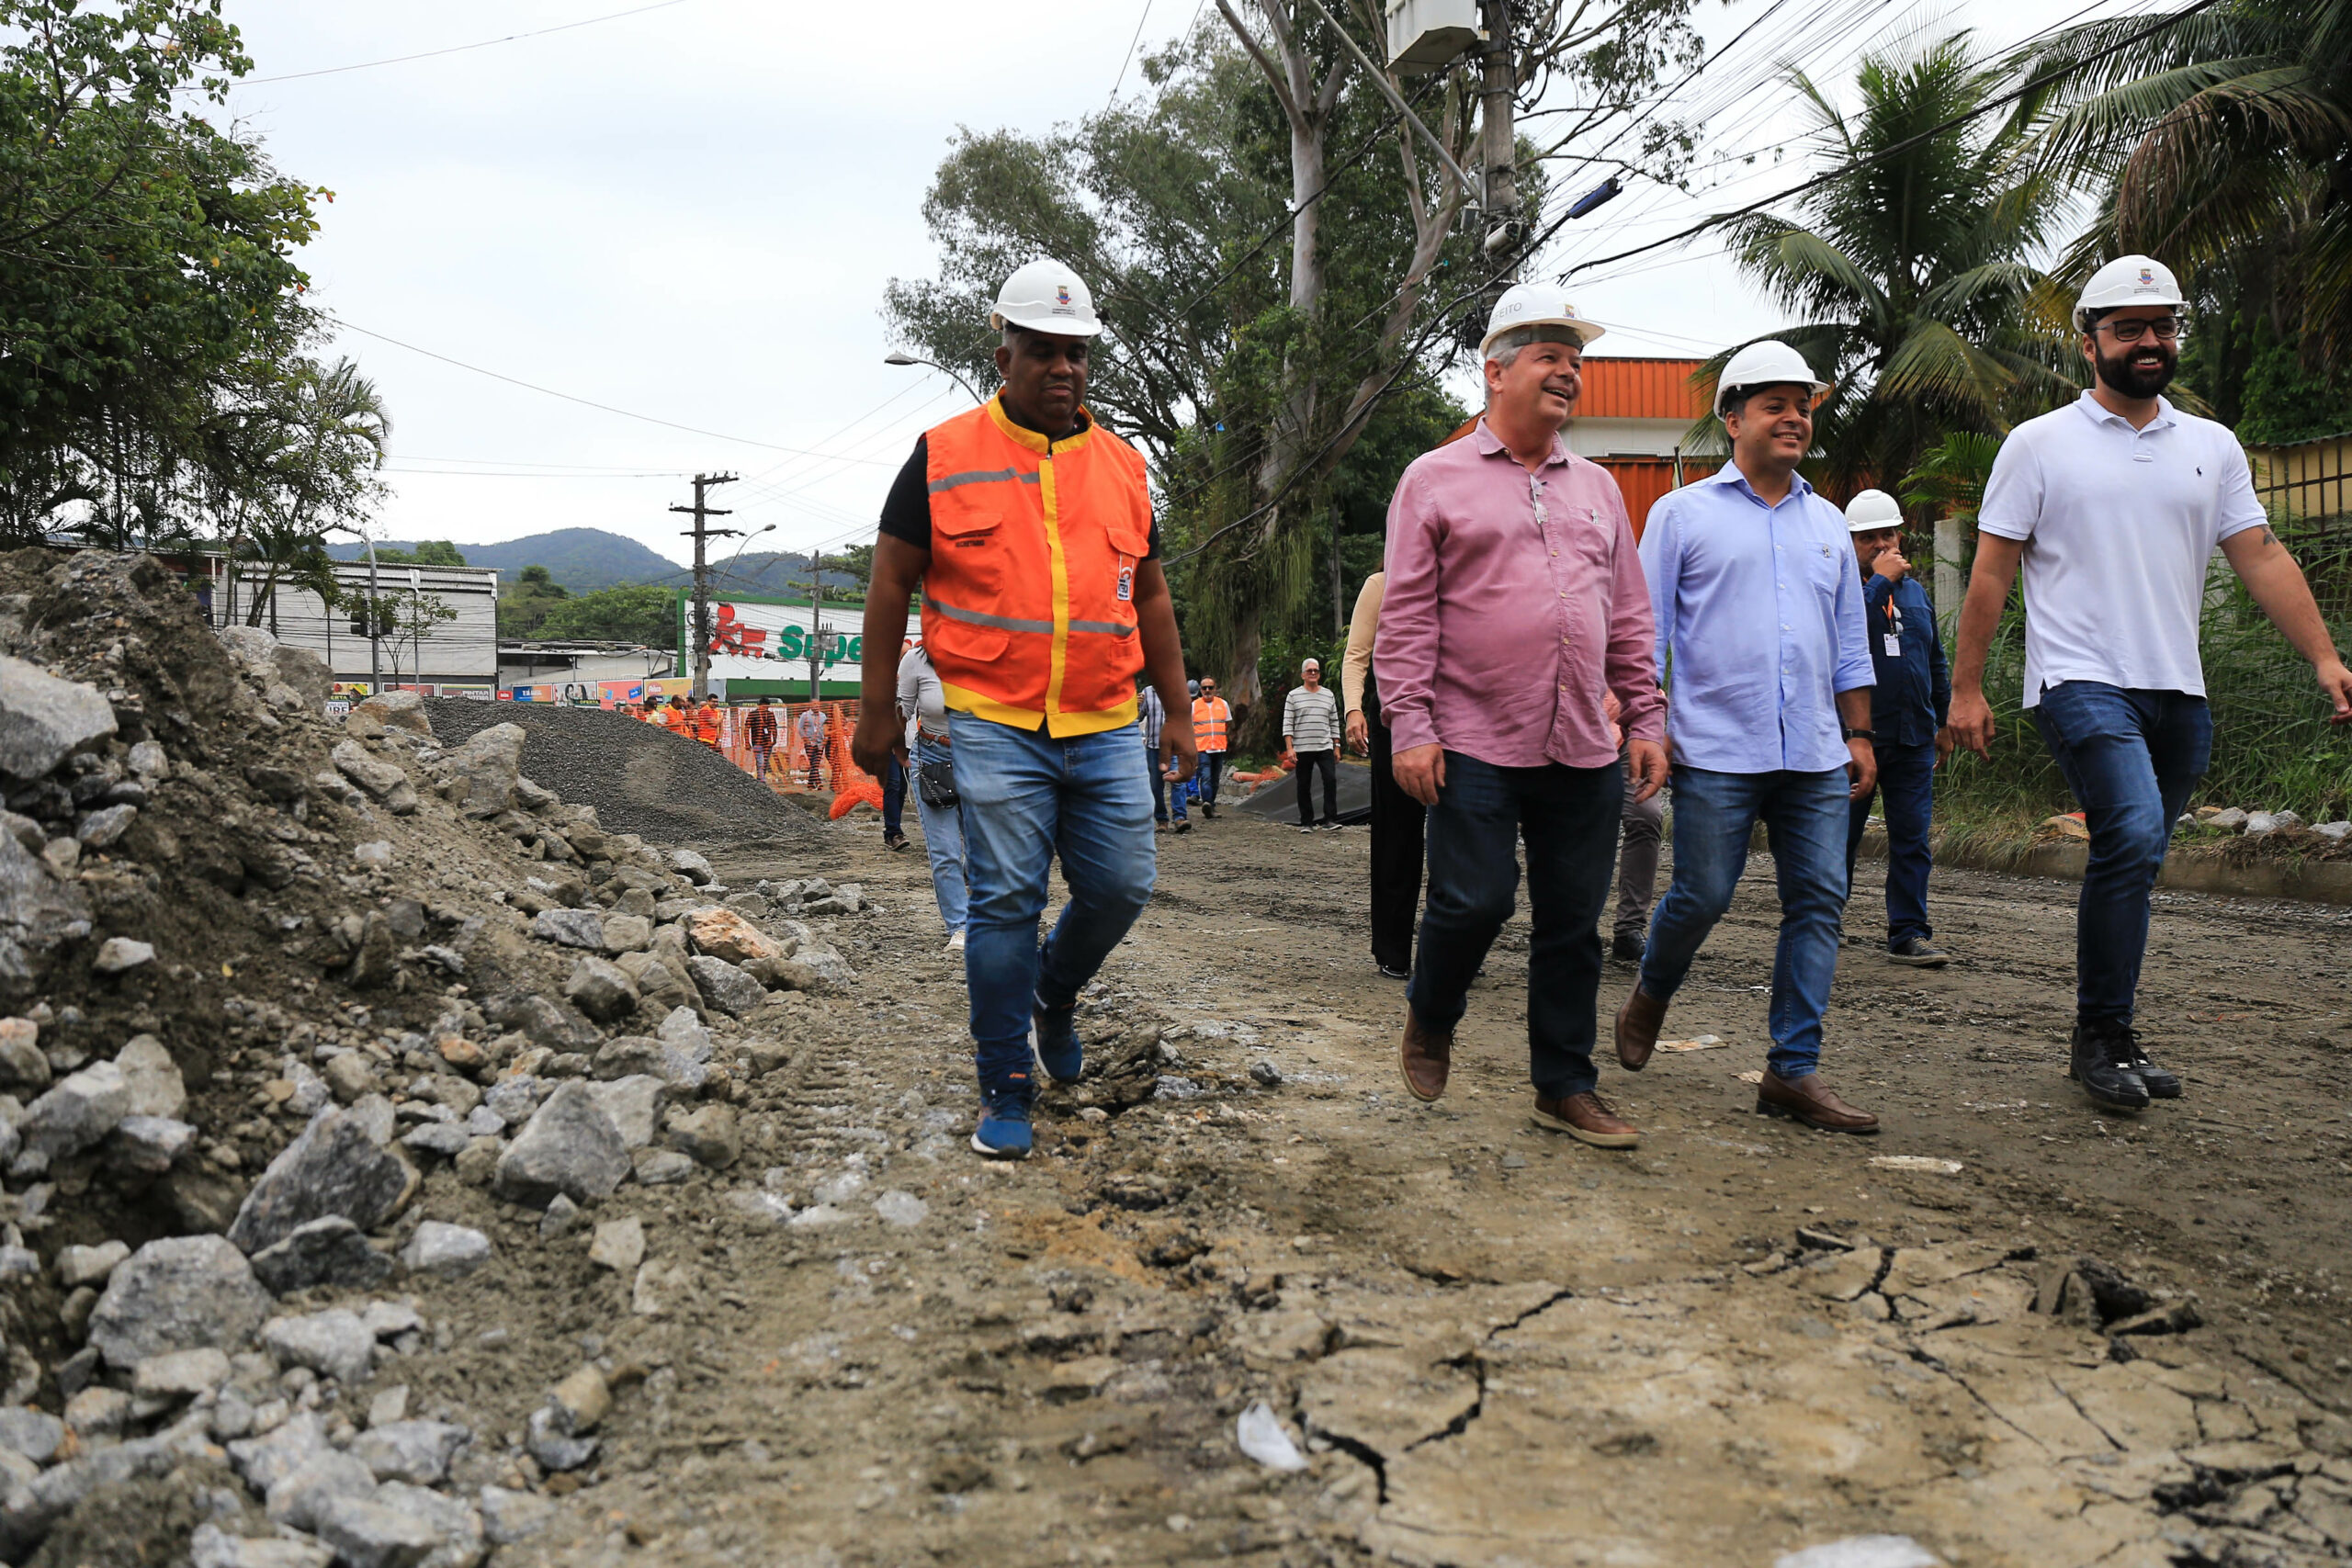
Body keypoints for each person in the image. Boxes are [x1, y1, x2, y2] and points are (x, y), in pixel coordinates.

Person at [1950, 254, 2352, 1112]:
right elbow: (1989, 574)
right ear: (2088, 340)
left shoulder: (2212, 446)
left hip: (2178, 688)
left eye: (2163, 326)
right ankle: (2098, 1034)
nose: (2150, 341)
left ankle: (2114, 1027)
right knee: (2129, 832)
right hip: (2081, 678)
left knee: (2136, 859)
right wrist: (1967, 690)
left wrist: (2323, 656)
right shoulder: (2039, 444)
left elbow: (2263, 556)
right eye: (2129, 328)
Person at [851, 257, 1197, 1161]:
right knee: (1003, 900)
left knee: (1122, 884)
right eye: (1042, 352)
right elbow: (890, 581)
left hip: (1105, 719)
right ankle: (1004, 1084)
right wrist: (876, 709)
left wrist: (1181, 711)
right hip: (992, 718)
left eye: (1076, 354)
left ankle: (1052, 989)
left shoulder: (1122, 467)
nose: (1063, 370)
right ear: (1002, 353)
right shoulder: (943, 454)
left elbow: (1151, 598)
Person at [1379, 283, 1667, 1148]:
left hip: (1582, 740)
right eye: (1550, 359)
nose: (1568, 375)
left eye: (1575, 363)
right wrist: (1411, 723)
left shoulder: (1601, 490)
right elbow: (1407, 616)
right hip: (1472, 736)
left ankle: (1565, 1082)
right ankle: (1432, 1012)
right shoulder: (1433, 480)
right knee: (1474, 900)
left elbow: (1628, 611)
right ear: (1496, 371)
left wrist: (1646, 716)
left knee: (1574, 921)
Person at [1621, 338, 1883, 1134]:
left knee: (1820, 901)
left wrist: (1860, 734)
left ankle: (1791, 1070)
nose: (1795, 418)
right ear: (1731, 418)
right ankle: (1653, 988)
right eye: (1775, 405)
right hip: (1717, 750)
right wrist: (1648, 725)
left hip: (1812, 751)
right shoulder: (1680, 513)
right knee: (1703, 893)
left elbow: (1848, 640)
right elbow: (1643, 632)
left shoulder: (1831, 524)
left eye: (1803, 406)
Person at [1841, 489, 1954, 967]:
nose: (1882, 544)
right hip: (1855, 740)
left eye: (1888, 533)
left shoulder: (1915, 592)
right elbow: (1842, 639)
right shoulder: (1843, 590)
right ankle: (1821, 921)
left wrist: (1944, 720)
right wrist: (1878, 585)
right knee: (1838, 838)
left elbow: (1934, 658)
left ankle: (1908, 933)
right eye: (1869, 537)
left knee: (1912, 839)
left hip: (1912, 738)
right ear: (1851, 543)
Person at [1342, 570, 1421, 979]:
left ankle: (1456, 940)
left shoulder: (1462, 576)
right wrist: (1354, 707)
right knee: (1398, 832)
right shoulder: (1380, 584)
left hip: (1456, 712)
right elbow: (1357, 654)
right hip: (1394, 714)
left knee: (1460, 833)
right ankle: (1393, 948)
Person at [896, 642, 967, 949]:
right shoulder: (916, 660)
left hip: (982, 757)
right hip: (933, 758)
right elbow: (902, 709)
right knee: (946, 850)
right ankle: (961, 926)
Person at [1603, 687, 1665, 965]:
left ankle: (1629, 930)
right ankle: (1571, 928)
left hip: (1630, 733)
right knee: (1588, 827)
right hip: (1576, 732)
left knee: (1646, 815)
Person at [1283, 659, 1342, 831]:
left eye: (1316, 670)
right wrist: (1289, 747)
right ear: (1303, 675)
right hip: (1302, 747)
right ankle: (1306, 821)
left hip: (1324, 746)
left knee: (1330, 780)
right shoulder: (1293, 696)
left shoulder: (1328, 695)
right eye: (1309, 671)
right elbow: (1288, 723)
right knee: (1303, 784)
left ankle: (1330, 819)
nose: (1313, 673)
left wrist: (1336, 745)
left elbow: (1334, 721)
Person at [1138, 682, 1190, 833]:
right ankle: (1162, 820)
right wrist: (1136, 706)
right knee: (1155, 787)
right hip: (1154, 748)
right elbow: (1138, 718)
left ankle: (1180, 818)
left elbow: (1185, 717)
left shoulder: (1177, 689)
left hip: (1174, 747)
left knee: (1178, 783)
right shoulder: (1147, 692)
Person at [1192, 679, 1231, 819]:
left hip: (1219, 747)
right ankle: (1207, 803)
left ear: (1215, 689)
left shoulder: (1223, 704)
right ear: (1200, 690)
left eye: (1210, 687)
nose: (1207, 690)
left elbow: (1227, 725)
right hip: (1202, 747)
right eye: (1204, 688)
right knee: (1206, 777)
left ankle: (1211, 805)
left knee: (1215, 779)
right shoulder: (1194, 706)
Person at [745, 695, 779, 783]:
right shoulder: (752, 714)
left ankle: (760, 778)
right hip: (757, 742)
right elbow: (747, 728)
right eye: (764, 707)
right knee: (760, 762)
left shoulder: (771, 714)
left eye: (767, 707)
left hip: (768, 743)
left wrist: (774, 740)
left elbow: (774, 728)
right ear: (759, 705)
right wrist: (747, 742)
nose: (765, 709)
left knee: (765, 762)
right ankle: (762, 780)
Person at [797, 704, 829, 790]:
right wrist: (805, 738)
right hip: (810, 743)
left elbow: (826, 728)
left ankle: (810, 784)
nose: (816, 706)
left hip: (820, 743)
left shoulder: (823, 716)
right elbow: (800, 728)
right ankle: (818, 782)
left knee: (815, 764)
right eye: (814, 705)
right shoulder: (805, 715)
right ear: (811, 706)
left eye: (818, 705)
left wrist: (825, 739)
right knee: (813, 763)